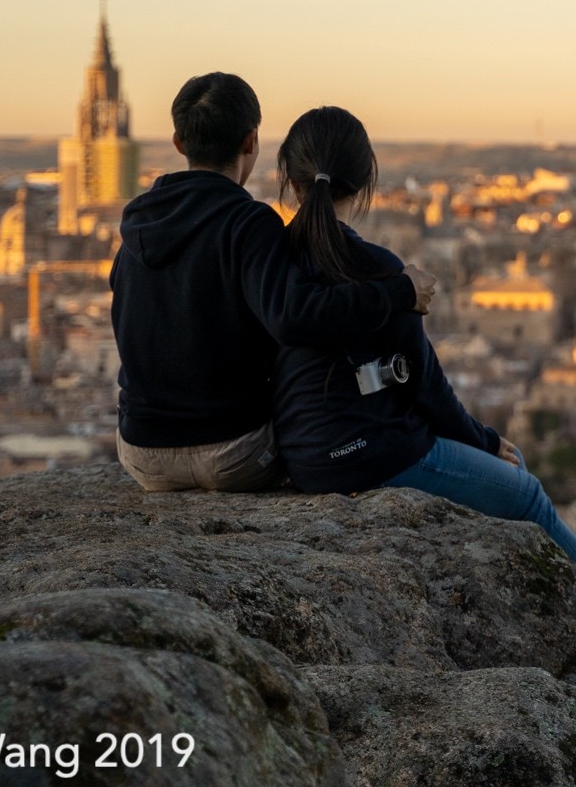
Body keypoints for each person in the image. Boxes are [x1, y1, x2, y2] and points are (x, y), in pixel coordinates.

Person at [268, 105, 576, 652]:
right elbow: (425, 384)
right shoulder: (380, 268)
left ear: (289, 177)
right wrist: (486, 440)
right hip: (370, 453)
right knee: (528, 494)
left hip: (301, 454)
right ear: (366, 178)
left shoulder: (271, 264)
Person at [111, 73, 432, 492]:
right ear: (251, 142)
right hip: (233, 455)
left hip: (141, 454)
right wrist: (400, 292)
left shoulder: (139, 225)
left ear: (178, 143)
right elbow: (295, 317)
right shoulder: (248, 224)